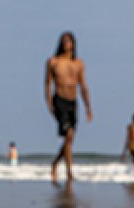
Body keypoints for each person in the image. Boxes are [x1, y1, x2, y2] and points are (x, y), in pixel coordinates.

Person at [44, 31, 93, 184]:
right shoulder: (53, 62)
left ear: (73, 44)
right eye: (64, 41)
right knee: (69, 135)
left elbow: (83, 86)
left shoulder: (78, 63)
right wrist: (49, 103)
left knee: (70, 139)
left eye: (69, 41)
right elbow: (47, 84)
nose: (67, 44)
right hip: (60, 100)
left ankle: (56, 163)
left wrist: (88, 107)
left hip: (73, 101)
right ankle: (69, 171)